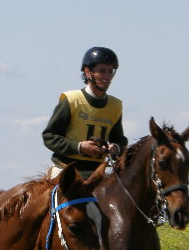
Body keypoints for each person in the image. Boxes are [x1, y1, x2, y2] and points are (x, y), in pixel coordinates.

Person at [42, 46, 128, 179]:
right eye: (102, 71)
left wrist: (115, 148)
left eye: (110, 72)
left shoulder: (115, 105)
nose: (107, 77)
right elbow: (49, 136)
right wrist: (79, 147)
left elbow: (120, 140)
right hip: (66, 170)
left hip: (98, 172)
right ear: (88, 72)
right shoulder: (71, 100)